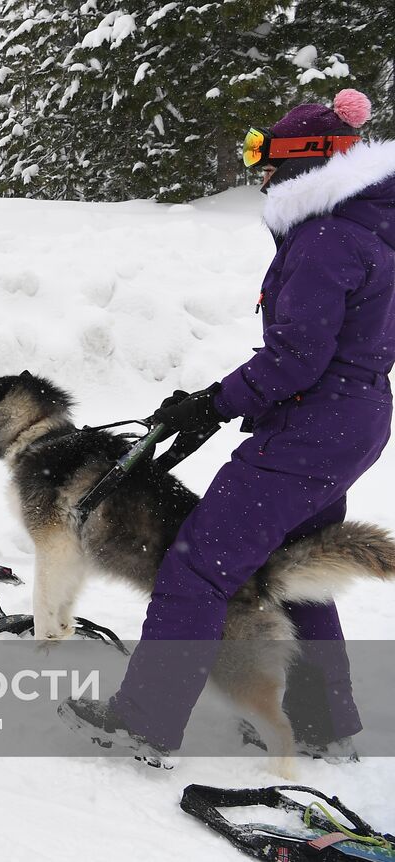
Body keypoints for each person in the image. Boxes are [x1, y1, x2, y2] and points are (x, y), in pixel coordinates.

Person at [64, 88, 395, 760]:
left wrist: (214, 403)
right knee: (290, 564)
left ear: (307, 161)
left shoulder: (327, 238)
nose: (259, 172)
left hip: (312, 427)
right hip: (348, 422)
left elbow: (297, 359)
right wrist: (226, 402)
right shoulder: (365, 227)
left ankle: (145, 720)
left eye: (264, 157)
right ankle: (320, 723)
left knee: (196, 567)